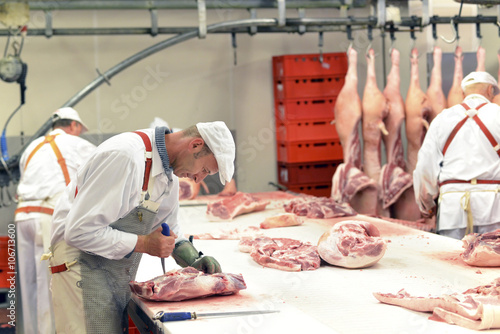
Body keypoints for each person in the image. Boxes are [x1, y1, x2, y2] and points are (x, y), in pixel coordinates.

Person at [46, 121, 235, 333]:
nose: (198, 178)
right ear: (196, 145)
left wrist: (194, 259)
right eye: (204, 170)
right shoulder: (125, 156)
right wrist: (144, 243)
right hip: (81, 267)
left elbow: (169, 228)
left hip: (113, 271)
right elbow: (79, 231)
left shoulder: (168, 176)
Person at [14, 107, 96, 334]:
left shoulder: (32, 147)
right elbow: (103, 169)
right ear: (74, 126)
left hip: (24, 216)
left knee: (29, 287)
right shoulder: (76, 143)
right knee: (50, 287)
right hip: (49, 217)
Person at [413, 71, 500, 240]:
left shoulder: (442, 119)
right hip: (494, 210)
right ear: (490, 90)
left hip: (452, 212)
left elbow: (424, 167)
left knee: (452, 262)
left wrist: (428, 206)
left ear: (463, 93)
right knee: (494, 263)